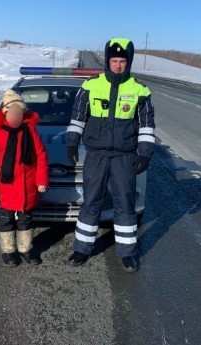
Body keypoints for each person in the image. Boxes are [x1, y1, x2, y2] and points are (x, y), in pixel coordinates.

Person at [65, 37, 156, 273]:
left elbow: (147, 127)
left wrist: (145, 153)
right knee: (91, 201)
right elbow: (77, 117)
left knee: (124, 204)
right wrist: (72, 141)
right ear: (108, 61)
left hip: (124, 157)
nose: (118, 65)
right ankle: (81, 249)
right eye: (114, 60)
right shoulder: (90, 86)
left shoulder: (140, 90)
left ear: (129, 63)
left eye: (122, 61)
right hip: (96, 155)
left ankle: (127, 253)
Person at [0, 90, 49, 266]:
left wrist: (41, 180)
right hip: (6, 187)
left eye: (19, 113)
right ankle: (8, 251)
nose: (15, 116)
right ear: (5, 113)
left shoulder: (30, 131)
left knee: (25, 220)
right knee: (5, 220)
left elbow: (41, 155)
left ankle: (25, 249)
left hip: (26, 186)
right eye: (12, 112)